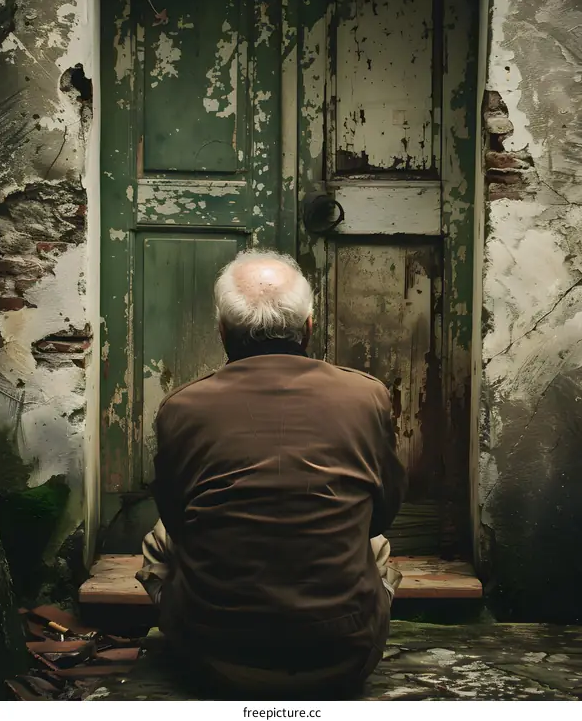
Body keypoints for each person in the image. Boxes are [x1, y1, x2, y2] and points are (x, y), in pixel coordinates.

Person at [137, 249, 406, 697]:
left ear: (222, 332)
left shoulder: (180, 407)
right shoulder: (367, 395)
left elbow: (180, 521)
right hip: (344, 658)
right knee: (374, 543)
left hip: (215, 659)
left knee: (160, 539)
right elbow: (381, 516)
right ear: (308, 327)